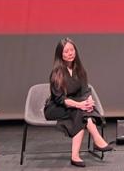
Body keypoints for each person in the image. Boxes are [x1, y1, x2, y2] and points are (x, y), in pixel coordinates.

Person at [43, 38, 114, 167]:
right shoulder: (56, 73)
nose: (70, 53)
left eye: (72, 50)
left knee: (81, 114)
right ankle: (97, 140)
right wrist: (80, 105)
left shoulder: (79, 70)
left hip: (74, 105)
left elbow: (85, 91)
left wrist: (89, 101)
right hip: (55, 107)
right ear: (60, 55)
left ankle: (76, 156)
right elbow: (60, 99)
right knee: (80, 112)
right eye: (66, 51)